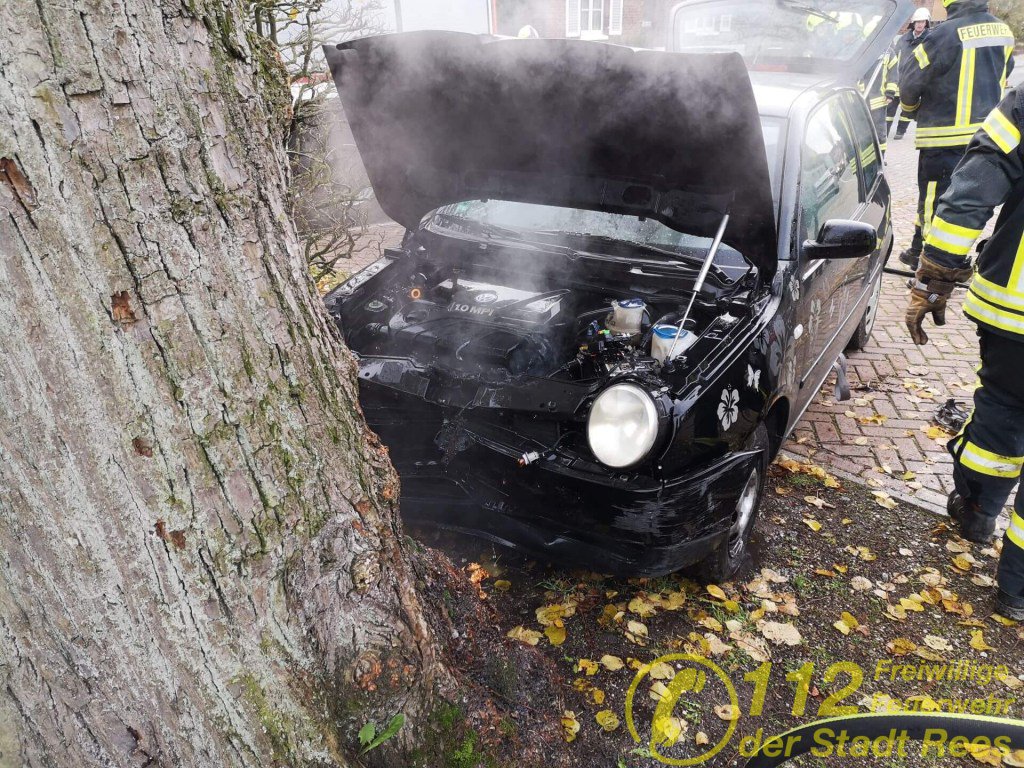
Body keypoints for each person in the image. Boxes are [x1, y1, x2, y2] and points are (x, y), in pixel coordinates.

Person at [904, 87, 1024, 618]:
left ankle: (976, 514)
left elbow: (972, 193)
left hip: (1016, 312)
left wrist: (934, 279)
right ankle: (1016, 594)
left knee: (1000, 416)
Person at [896, 0, 1016, 271]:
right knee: (961, 200)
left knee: (932, 201)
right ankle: (917, 249)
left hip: (943, 138)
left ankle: (928, 267)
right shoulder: (1004, 32)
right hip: (985, 139)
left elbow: (910, 81)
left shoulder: (943, 34)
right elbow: (1005, 73)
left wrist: (911, 109)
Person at [884, 7, 932, 141]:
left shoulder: (929, 39)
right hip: (899, 78)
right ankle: (885, 132)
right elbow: (894, 56)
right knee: (890, 108)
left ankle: (901, 131)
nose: (919, 24)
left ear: (926, 23)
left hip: (915, 80)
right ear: (913, 23)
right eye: (917, 22)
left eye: (922, 22)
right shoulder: (904, 38)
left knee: (907, 109)